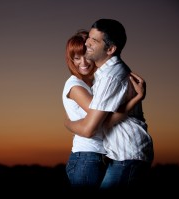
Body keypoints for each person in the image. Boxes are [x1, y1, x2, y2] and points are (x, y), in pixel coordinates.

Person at [64, 19, 154, 193]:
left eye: (94, 41)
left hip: (128, 152)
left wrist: (67, 124)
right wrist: (138, 98)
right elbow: (105, 122)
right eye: (89, 37)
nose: (87, 43)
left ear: (111, 49)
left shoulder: (110, 77)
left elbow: (92, 128)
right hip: (121, 153)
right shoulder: (102, 75)